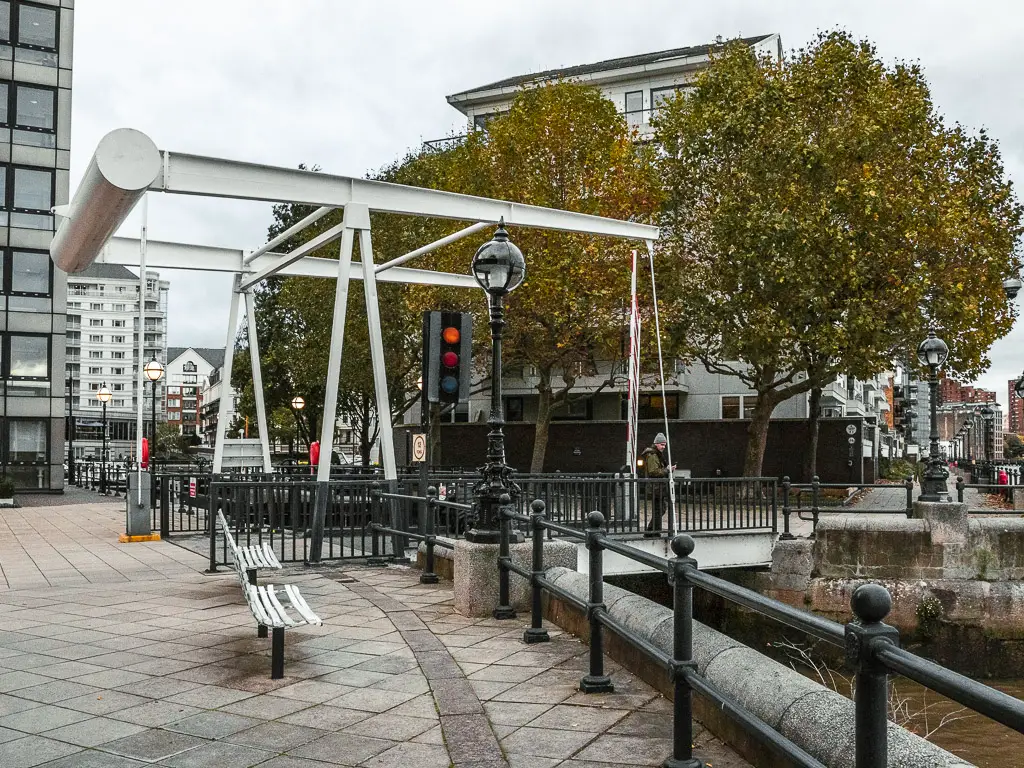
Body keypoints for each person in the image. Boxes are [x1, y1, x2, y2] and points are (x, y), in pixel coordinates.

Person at [640, 433, 674, 537]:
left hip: (657, 487)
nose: (663, 447)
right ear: (656, 444)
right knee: (659, 509)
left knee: (659, 509)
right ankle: (652, 531)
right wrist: (667, 470)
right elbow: (653, 472)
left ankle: (653, 530)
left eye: (664, 445)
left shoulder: (654, 454)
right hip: (656, 487)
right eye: (662, 445)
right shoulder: (653, 455)